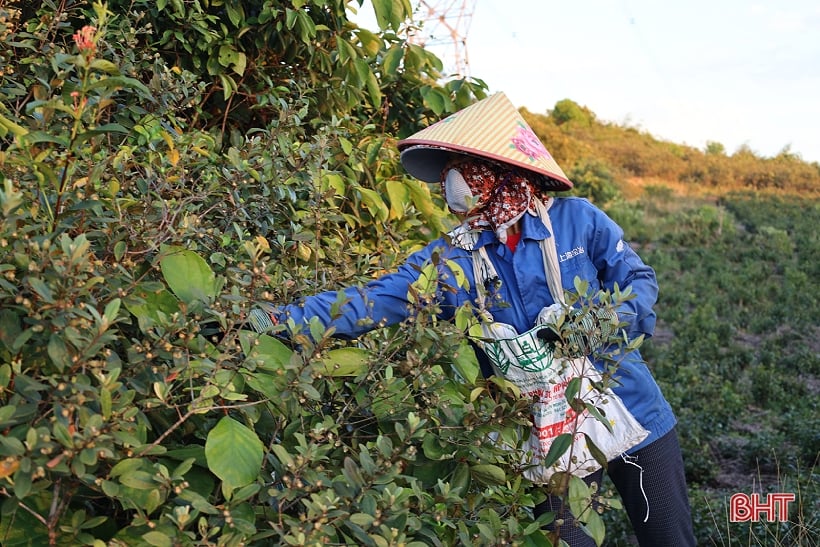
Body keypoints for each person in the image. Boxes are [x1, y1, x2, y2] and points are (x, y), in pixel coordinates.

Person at [249, 93, 696, 546]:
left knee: (668, 536)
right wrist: (280, 320)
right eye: (452, 172)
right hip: (538, 427)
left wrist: (605, 321)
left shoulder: (578, 222)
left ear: (504, 175)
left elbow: (638, 279)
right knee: (561, 539)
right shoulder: (453, 259)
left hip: (628, 406)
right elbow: (374, 299)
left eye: (466, 168)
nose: (454, 184)